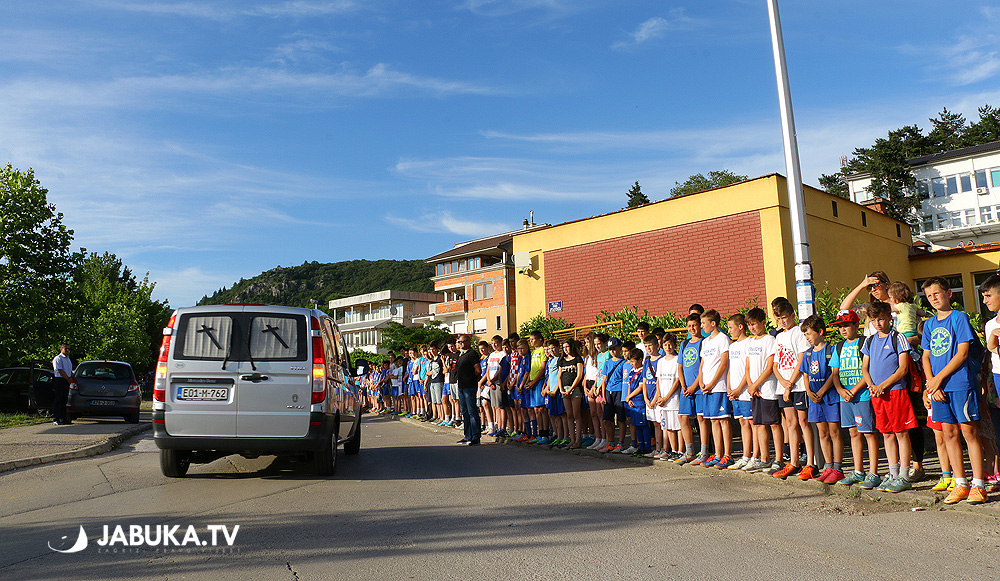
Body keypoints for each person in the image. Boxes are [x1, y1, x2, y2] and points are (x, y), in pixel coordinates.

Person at [921, 276, 988, 504]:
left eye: (937, 293)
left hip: (959, 383)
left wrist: (937, 379)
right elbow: (926, 356)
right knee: (948, 434)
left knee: (969, 432)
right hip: (938, 387)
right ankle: (960, 483)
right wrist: (931, 383)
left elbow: (962, 353)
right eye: (929, 296)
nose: (933, 299)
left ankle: (978, 485)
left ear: (949, 293)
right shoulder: (929, 324)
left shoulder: (959, 318)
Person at [862, 301, 916, 493]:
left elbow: (903, 368)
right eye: (874, 320)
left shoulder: (898, 338)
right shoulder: (869, 341)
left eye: (882, 319)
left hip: (896, 393)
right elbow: (865, 368)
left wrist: (882, 386)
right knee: (886, 433)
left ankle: (904, 475)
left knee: (901, 432)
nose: (878, 323)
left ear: (889, 318)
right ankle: (892, 473)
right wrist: (872, 386)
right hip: (877, 395)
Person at [829, 310, 881, 489]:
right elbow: (835, 372)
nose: (843, 329)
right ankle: (858, 471)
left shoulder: (864, 342)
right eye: (840, 326)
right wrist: (840, 390)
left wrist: (854, 389)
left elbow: (869, 369)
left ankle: (873, 472)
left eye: (846, 325)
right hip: (845, 398)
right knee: (853, 433)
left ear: (855, 325)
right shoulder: (838, 346)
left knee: (869, 433)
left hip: (862, 395)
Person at [771, 298, 813, 479]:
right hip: (784, 386)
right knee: (790, 423)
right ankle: (793, 462)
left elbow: (802, 358)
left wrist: (791, 382)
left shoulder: (798, 333)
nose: (782, 322)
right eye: (779, 318)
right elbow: (775, 364)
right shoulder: (778, 336)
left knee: (803, 422)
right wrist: (782, 381)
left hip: (798, 386)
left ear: (793, 316)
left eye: (785, 317)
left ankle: (810, 462)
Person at [799, 315, 843, 483]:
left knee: (834, 432)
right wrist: (809, 392)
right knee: (822, 433)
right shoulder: (808, 354)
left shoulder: (830, 351)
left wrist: (823, 391)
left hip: (829, 398)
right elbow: (805, 374)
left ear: (820, 332)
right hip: (814, 400)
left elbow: (834, 374)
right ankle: (828, 466)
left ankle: (837, 467)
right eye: (805, 335)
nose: (808, 337)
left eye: (809, 333)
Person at [743, 308, 780, 474]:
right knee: (758, 424)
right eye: (749, 325)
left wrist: (756, 384)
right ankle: (764, 458)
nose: (752, 328)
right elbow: (748, 366)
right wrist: (751, 385)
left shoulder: (770, 340)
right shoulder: (751, 342)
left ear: (763, 322)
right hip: (754, 390)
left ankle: (778, 458)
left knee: (773, 424)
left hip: (767, 389)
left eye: (754, 324)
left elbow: (770, 366)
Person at [674, 314, 705, 464]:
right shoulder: (684, 344)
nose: (692, 328)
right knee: (683, 417)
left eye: (695, 325)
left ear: (700, 326)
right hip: (685, 389)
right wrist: (684, 385)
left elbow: (703, 367)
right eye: (689, 326)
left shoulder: (704, 343)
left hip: (699, 387)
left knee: (701, 419)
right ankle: (689, 451)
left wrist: (694, 385)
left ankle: (704, 452)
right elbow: (680, 367)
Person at [726, 314, 753, 470]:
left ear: (740, 326)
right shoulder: (733, 346)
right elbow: (731, 369)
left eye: (731, 327)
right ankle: (745, 456)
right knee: (742, 422)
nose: (729, 330)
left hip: (744, 392)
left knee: (750, 422)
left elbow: (747, 370)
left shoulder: (748, 343)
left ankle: (753, 456)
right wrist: (730, 388)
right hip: (734, 392)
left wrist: (739, 388)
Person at [597, 337, 628, 453]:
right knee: (606, 419)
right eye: (610, 349)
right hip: (608, 392)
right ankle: (610, 442)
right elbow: (604, 379)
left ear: (620, 348)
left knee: (621, 419)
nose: (613, 351)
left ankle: (620, 443)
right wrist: (603, 395)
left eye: (615, 349)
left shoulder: (624, 362)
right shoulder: (607, 363)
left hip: (619, 391)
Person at [655, 333, 681, 459]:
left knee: (678, 426)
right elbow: (658, 380)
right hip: (663, 401)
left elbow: (677, 381)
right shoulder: (661, 361)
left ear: (675, 345)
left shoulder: (677, 359)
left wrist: (667, 397)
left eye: (670, 344)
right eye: (665, 344)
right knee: (668, 426)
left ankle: (680, 451)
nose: (668, 347)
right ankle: (673, 450)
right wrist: (660, 396)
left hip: (674, 400)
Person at [454, 335, 482, 445]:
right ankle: (467, 435)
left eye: (462, 341)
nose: (460, 344)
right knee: (464, 412)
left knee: (472, 411)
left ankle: (475, 436)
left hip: (469, 386)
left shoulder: (472, 354)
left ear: (468, 342)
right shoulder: (461, 355)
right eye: (459, 342)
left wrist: (473, 379)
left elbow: (478, 370)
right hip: (461, 386)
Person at [557, 338, 585, 448]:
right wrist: (561, 389)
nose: (566, 349)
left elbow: (579, 375)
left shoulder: (578, 359)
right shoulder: (562, 360)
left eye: (567, 347)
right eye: (564, 347)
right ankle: (572, 440)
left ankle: (578, 440)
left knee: (576, 414)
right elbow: (559, 376)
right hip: (564, 389)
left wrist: (571, 389)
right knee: (569, 415)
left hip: (575, 389)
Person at [623, 348, 651, 456]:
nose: (632, 364)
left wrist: (630, 395)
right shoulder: (631, 371)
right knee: (636, 425)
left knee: (643, 425)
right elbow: (630, 385)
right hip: (633, 402)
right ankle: (640, 446)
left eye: (633, 362)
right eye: (630, 362)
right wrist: (629, 398)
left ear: (640, 360)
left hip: (640, 402)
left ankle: (647, 447)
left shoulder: (642, 371)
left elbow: (640, 387)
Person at [641, 334, 664, 458]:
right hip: (648, 398)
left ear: (657, 345)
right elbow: (644, 380)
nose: (648, 348)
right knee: (654, 423)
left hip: (658, 398)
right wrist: (646, 398)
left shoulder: (662, 360)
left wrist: (655, 398)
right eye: (646, 346)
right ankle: (657, 448)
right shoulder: (647, 361)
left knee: (661, 423)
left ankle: (663, 448)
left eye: (650, 345)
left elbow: (660, 381)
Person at [52, 343, 73, 426]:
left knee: (64, 400)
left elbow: (69, 370)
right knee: (58, 400)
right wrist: (68, 378)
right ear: (61, 349)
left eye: (68, 349)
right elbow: (60, 370)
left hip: (66, 380)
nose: (67, 350)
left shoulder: (68, 359)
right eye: (65, 349)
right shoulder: (58, 358)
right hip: (60, 380)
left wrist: (70, 378)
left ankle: (63, 418)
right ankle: (56, 418)